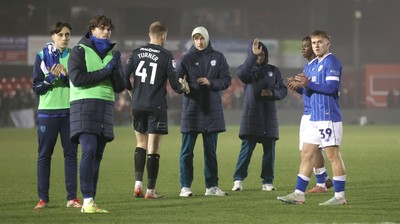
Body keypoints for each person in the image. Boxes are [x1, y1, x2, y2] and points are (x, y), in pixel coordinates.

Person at [277, 30, 346, 205]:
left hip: (327, 116)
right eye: (314, 42)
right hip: (313, 117)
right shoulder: (312, 65)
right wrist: (299, 88)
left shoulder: (332, 62)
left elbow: (331, 88)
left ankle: (340, 197)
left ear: (328, 43)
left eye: (319, 42)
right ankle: (299, 194)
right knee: (306, 155)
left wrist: (308, 84)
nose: (316, 45)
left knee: (333, 156)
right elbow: (311, 91)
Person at [123, 21, 189, 199]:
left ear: (149, 35)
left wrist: (131, 91)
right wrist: (183, 87)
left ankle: (137, 184)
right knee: (154, 147)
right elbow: (175, 86)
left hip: (137, 105)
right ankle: (150, 191)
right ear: (163, 36)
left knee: (140, 143)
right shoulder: (167, 56)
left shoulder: (136, 53)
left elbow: (123, 75)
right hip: (156, 106)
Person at [68, 15, 126, 213]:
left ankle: (90, 200)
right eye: (102, 28)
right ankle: (86, 200)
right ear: (92, 30)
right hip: (84, 105)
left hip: (105, 107)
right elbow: (78, 78)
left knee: (97, 155)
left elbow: (120, 86)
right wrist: (107, 69)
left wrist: (116, 69)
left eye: (109, 29)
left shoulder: (112, 54)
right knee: (89, 149)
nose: (106, 32)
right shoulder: (78, 50)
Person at [32, 21, 82, 210]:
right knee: (44, 156)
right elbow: (37, 88)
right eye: (60, 35)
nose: (64, 38)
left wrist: (64, 77)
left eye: (67, 35)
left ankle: (72, 198)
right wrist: (50, 79)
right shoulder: (41, 57)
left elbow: (79, 83)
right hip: (47, 113)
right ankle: (43, 199)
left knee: (71, 155)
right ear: (53, 36)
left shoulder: (74, 56)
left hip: (70, 112)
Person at [177, 26, 231, 197]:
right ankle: (185, 186)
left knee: (210, 152)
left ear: (207, 38)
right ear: (193, 40)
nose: (199, 42)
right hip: (191, 109)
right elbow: (177, 82)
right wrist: (181, 86)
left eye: (201, 38)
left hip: (211, 110)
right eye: (196, 38)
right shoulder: (186, 59)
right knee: (187, 151)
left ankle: (212, 186)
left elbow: (226, 80)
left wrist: (211, 82)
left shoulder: (218, 57)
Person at [231, 38, 287, 192]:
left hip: (269, 116)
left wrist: (273, 93)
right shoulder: (247, 70)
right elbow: (241, 74)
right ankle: (238, 180)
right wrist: (252, 57)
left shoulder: (274, 71)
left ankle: (267, 182)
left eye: (261, 54)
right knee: (246, 150)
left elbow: (283, 90)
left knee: (269, 152)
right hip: (251, 116)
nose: (259, 57)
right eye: (256, 55)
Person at [286, 36, 333, 193]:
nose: (303, 48)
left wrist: (304, 86)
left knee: (310, 152)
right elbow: (309, 90)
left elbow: (323, 88)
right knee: (313, 150)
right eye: (303, 46)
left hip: (315, 114)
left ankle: (321, 183)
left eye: (306, 46)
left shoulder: (318, 66)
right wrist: (297, 88)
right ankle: (323, 180)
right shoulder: (308, 67)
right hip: (309, 113)